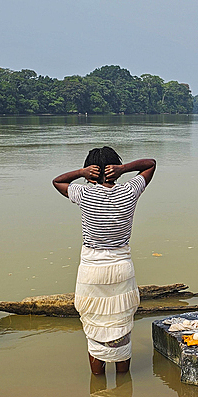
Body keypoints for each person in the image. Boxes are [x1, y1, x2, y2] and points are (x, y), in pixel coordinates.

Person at [52, 147, 156, 375]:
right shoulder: (129, 191)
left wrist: (81, 172)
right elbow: (150, 164)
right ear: (114, 169)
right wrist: (124, 169)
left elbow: (57, 181)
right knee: (120, 325)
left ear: (91, 171)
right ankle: (122, 387)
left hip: (92, 270)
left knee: (95, 325)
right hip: (121, 267)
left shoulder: (84, 193)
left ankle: (98, 389)